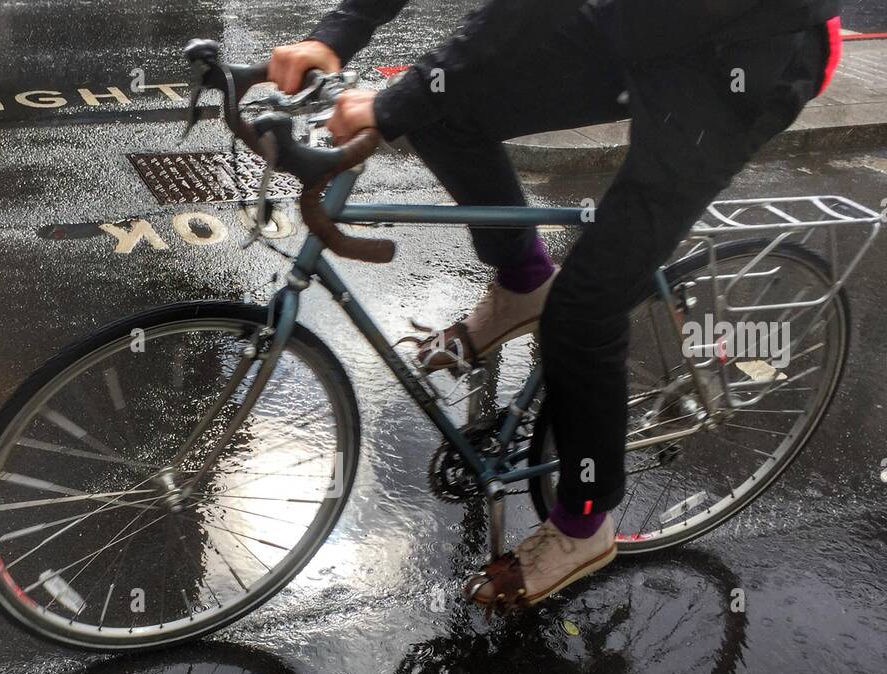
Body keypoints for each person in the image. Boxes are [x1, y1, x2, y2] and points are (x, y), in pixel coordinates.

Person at [269, 0, 842, 613]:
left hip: (743, 54)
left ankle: (584, 523)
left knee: (584, 308)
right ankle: (523, 283)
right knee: (443, 106)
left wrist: (387, 107)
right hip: (642, 22)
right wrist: (335, 36)